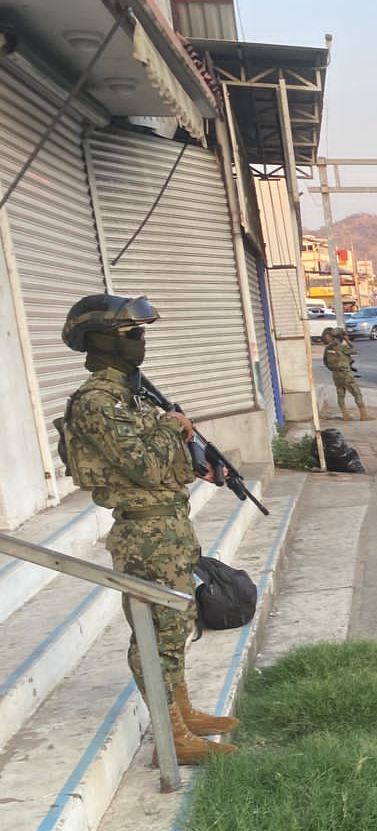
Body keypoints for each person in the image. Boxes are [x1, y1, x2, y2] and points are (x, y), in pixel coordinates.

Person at [56, 294, 237, 764]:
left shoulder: (127, 395)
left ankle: (182, 712)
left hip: (166, 527)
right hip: (143, 533)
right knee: (155, 633)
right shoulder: (96, 402)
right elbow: (145, 466)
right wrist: (172, 427)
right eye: (130, 334)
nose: (140, 341)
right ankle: (171, 735)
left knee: (176, 623)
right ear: (101, 342)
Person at [323, 326, 371, 420]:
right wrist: (348, 341)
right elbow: (354, 350)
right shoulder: (343, 347)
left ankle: (345, 415)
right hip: (346, 374)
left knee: (340, 394)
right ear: (342, 336)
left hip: (336, 374)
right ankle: (363, 415)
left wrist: (334, 369)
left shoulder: (328, 348)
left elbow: (325, 362)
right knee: (357, 393)